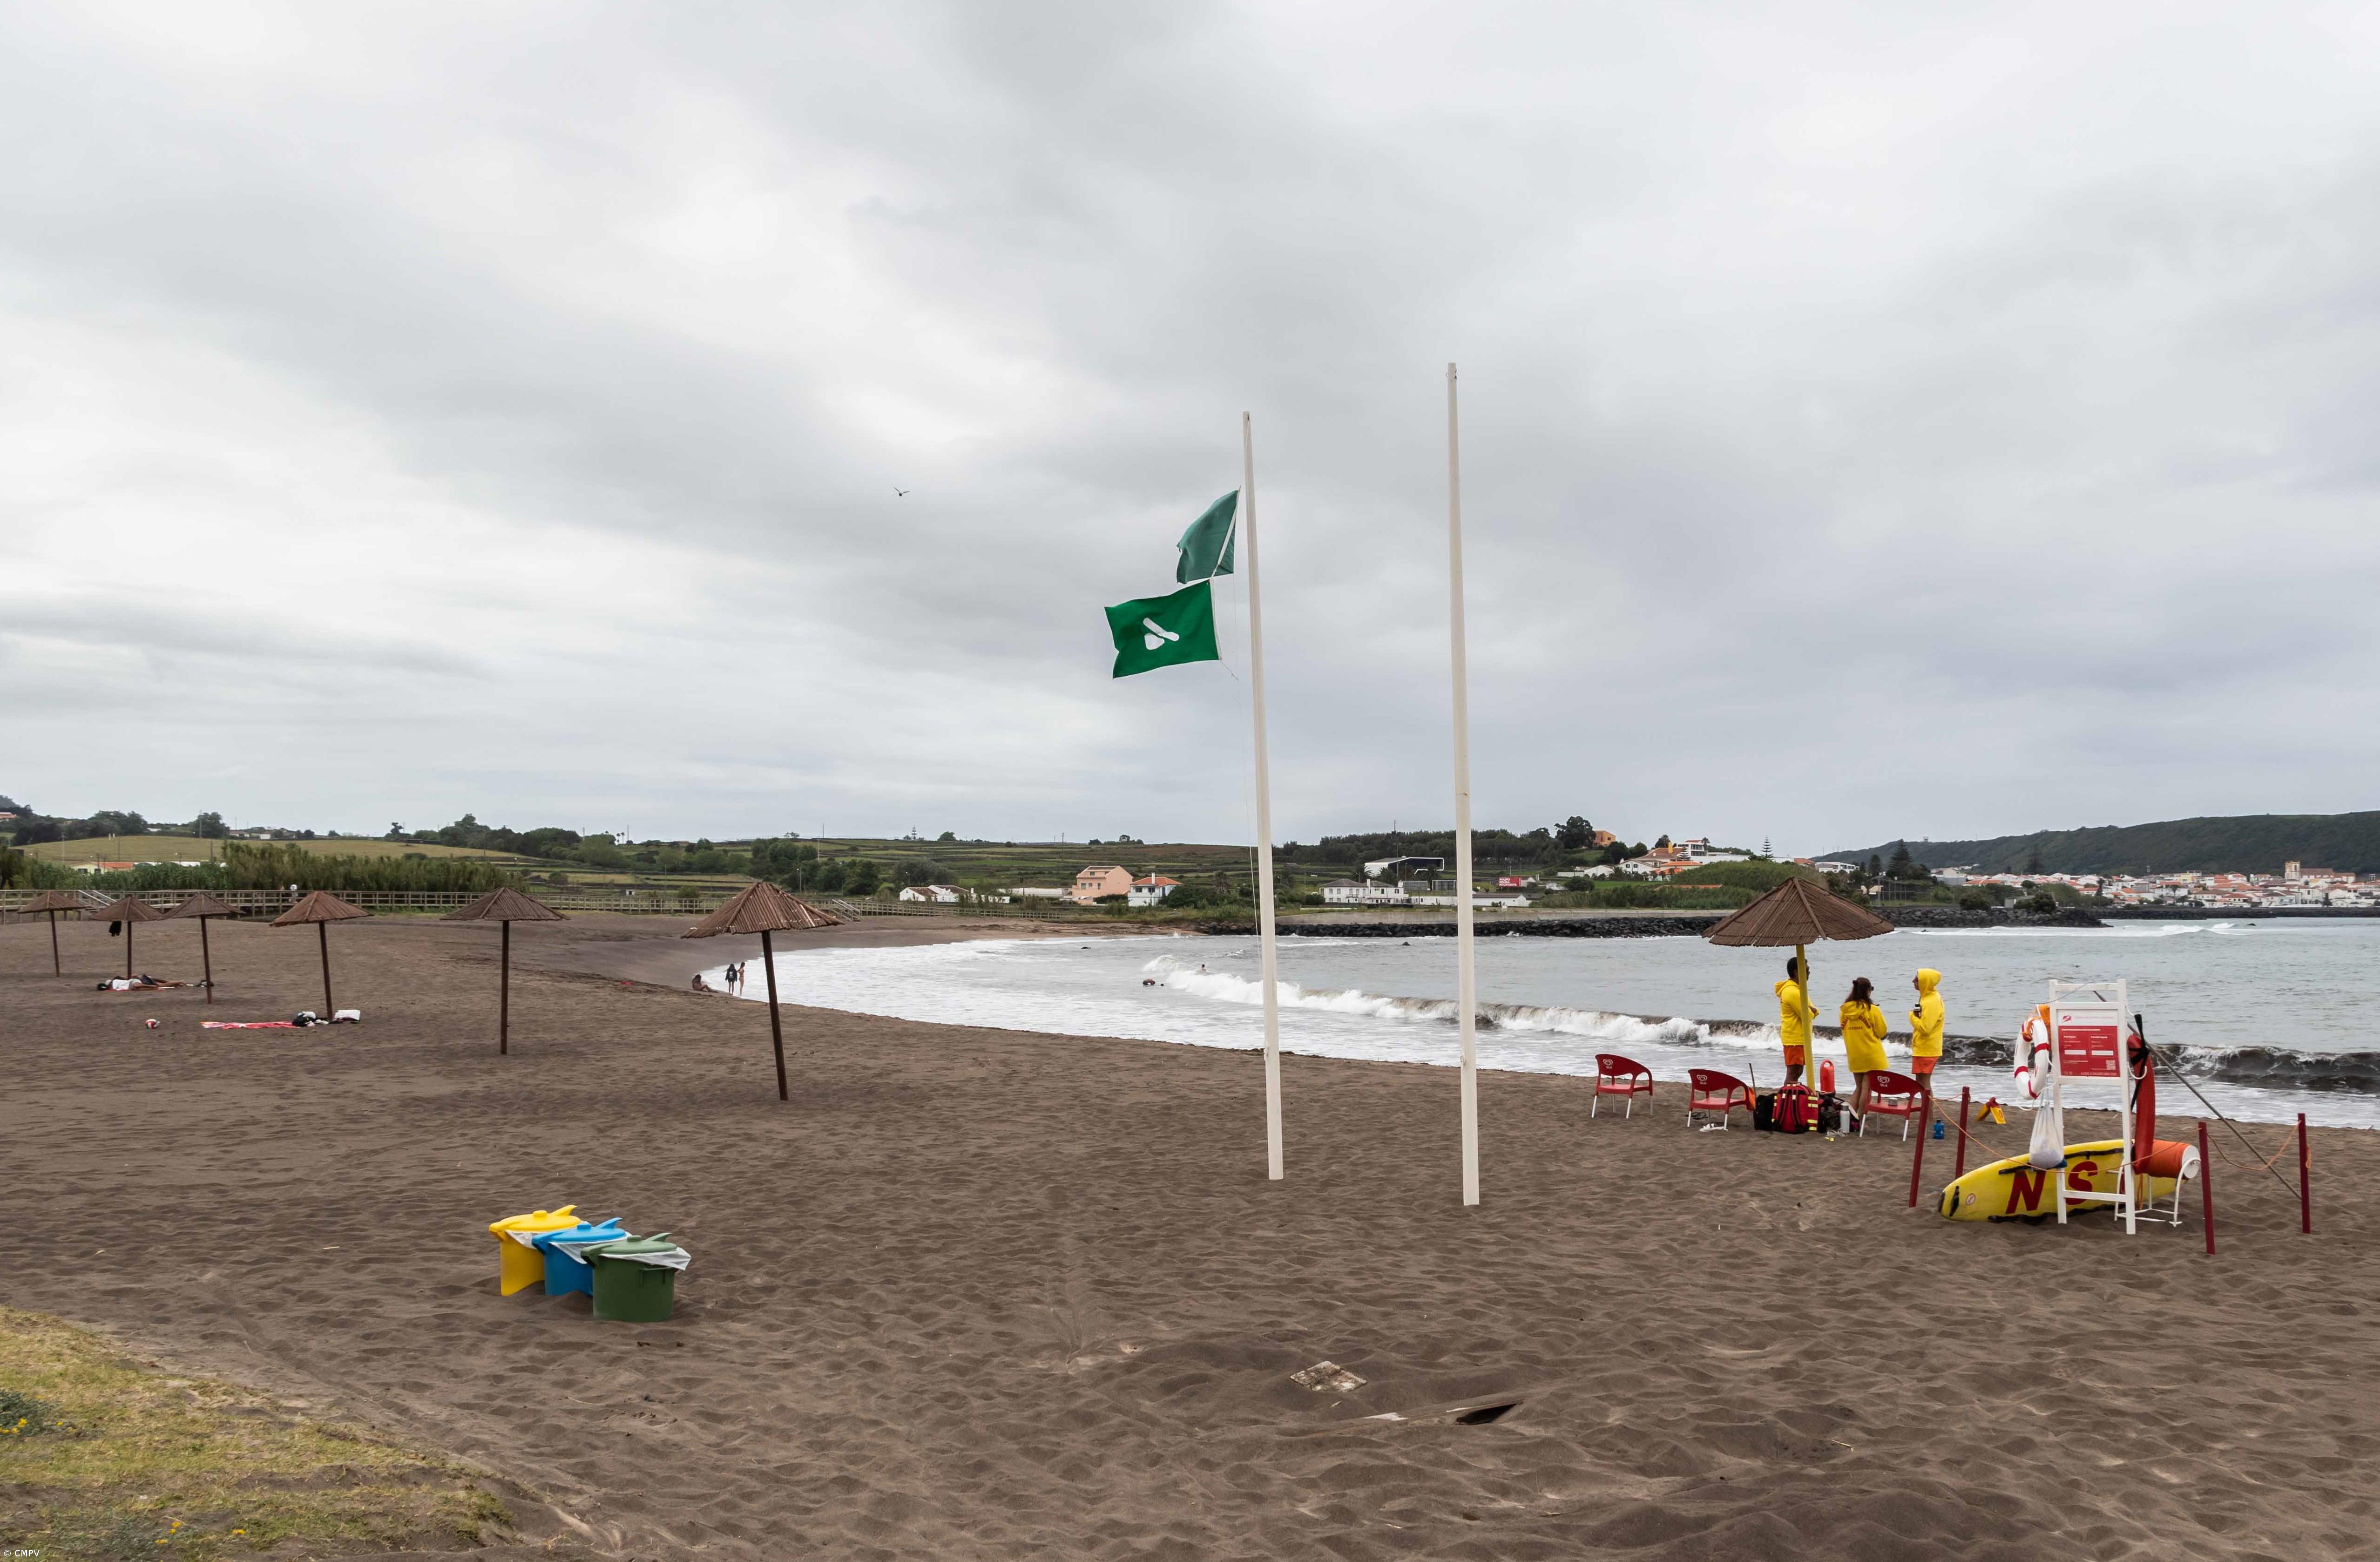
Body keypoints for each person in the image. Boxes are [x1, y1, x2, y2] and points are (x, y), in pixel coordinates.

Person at [1839, 977, 1889, 1121]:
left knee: (1859, 1088)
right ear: (1868, 991)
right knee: (1866, 1089)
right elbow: (1882, 1031)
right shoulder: (1872, 1010)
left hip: (1854, 1053)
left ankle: (1850, 1120)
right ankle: (1860, 1119)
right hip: (1871, 1054)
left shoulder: (1844, 1010)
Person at [1775, 957, 1816, 1085]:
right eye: (1807, 970)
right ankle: (1785, 1100)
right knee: (1794, 1072)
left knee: (1798, 1071)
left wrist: (1813, 1011)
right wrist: (1812, 1012)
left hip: (1799, 1038)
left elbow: (1813, 1010)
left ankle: (1789, 1098)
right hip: (1794, 1038)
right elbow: (1807, 1014)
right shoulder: (1792, 992)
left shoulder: (1799, 989)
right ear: (1796, 972)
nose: (1809, 973)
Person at [1909, 967, 1946, 1103]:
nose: (1913, 981)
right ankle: (1926, 1117)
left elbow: (1925, 1028)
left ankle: (1928, 1118)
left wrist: (1911, 1017)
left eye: (1917, 979)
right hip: (1923, 1048)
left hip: (1927, 1049)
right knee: (1920, 1083)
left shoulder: (1931, 1001)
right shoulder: (1927, 998)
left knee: (1925, 1086)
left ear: (1925, 982)